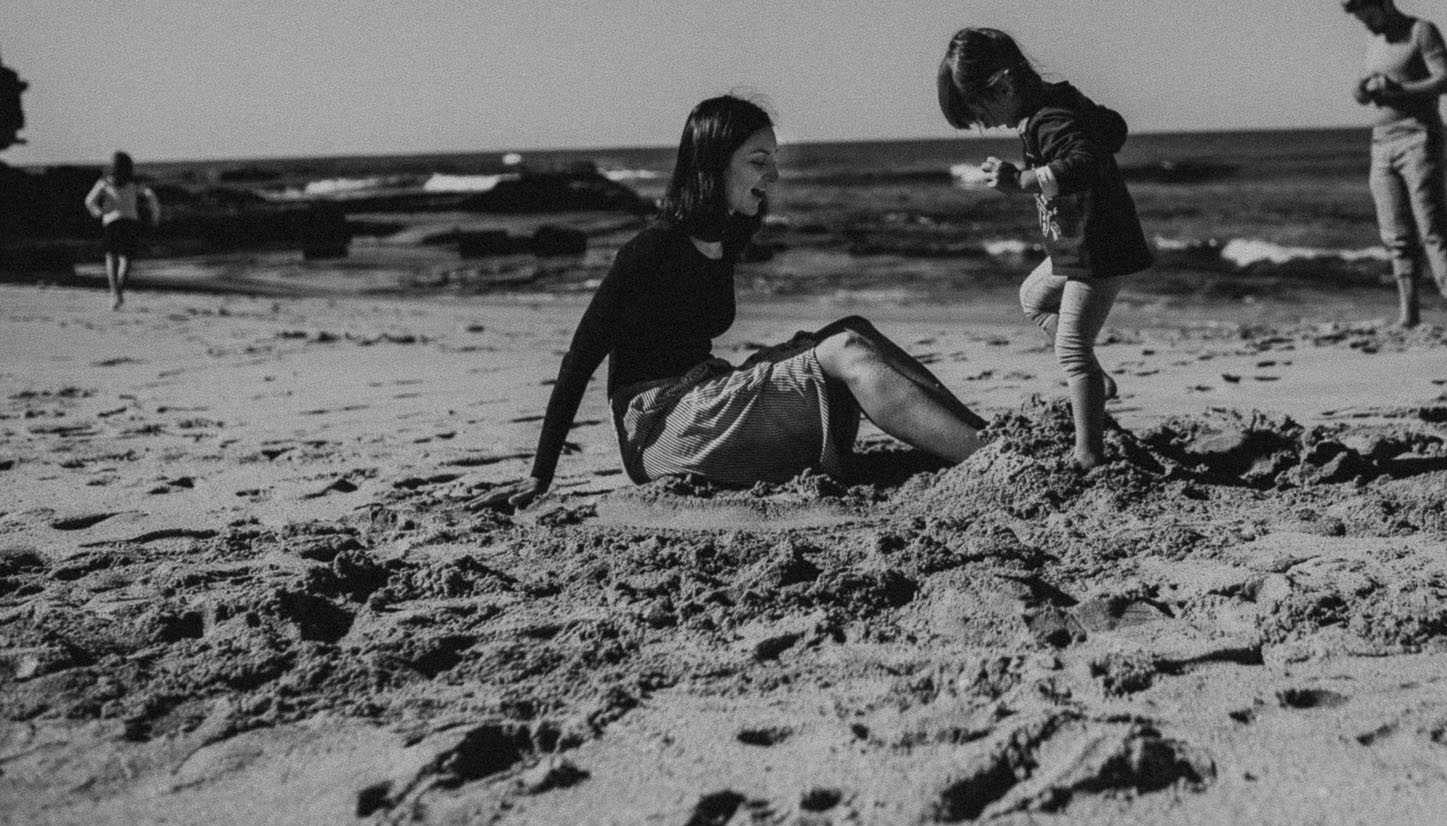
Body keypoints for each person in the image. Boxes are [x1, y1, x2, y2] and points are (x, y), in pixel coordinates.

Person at [477, 95, 986, 513]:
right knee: (844, 350)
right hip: (660, 426)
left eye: (774, 164)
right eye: (758, 162)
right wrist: (539, 476)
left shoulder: (724, 238)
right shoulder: (650, 250)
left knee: (852, 327)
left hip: (705, 395)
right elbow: (578, 361)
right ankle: (986, 456)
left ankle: (983, 437)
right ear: (714, 163)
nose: (773, 178)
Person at [938, 29, 1153, 471]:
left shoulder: (1051, 117)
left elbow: (1085, 162)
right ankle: (1093, 380)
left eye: (982, 112)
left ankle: (1089, 454)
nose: (987, 125)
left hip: (1099, 247)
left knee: (1071, 350)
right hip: (1077, 246)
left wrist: (1021, 180)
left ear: (1003, 86)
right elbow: (1113, 128)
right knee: (1033, 299)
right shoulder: (1057, 105)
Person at [1344, 0, 1447, 327]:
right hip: (1381, 142)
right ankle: (1408, 313)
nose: (1366, 25)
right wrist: (1360, 90)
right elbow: (1363, 95)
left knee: (1432, 226)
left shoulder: (1421, 31)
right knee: (1395, 233)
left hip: (1418, 136)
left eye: (1369, 17)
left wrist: (1401, 91)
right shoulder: (1372, 41)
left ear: (1385, 4)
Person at [84, 152, 161, 310]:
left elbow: (89, 201)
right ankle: (119, 290)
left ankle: (114, 293)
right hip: (130, 222)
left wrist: (98, 213)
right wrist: (155, 215)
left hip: (111, 223)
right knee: (126, 259)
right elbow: (151, 196)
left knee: (111, 259)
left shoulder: (105, 182)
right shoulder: (134, 183)